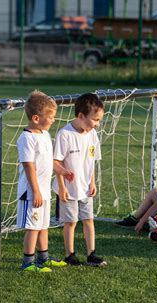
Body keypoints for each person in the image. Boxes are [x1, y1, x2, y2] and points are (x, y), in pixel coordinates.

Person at [53, 93, 107, 267]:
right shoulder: (65, 134)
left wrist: (92, 182)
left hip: (85, 188)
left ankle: (92, 254)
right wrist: (62, 187)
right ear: (81, 116)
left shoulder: (92, 135)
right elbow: (56, 162)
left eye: (99, 120)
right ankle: (70, 256)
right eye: (95, 119)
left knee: (88, 220)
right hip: (69, 189)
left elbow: (91, 162)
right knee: (71, 222)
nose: (97, 124)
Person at [16, 90, 67, 273]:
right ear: (36, 118)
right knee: (33, 227)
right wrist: (36, 191)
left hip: (43, 191)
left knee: (43, 226)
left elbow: (49, 160)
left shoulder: (44, 134)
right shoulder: (26, 138)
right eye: (51, 117)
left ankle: (43, 259)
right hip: (31, 193)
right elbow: (29, 167)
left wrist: (62, 171)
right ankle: (28, 263)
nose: (53, 120)